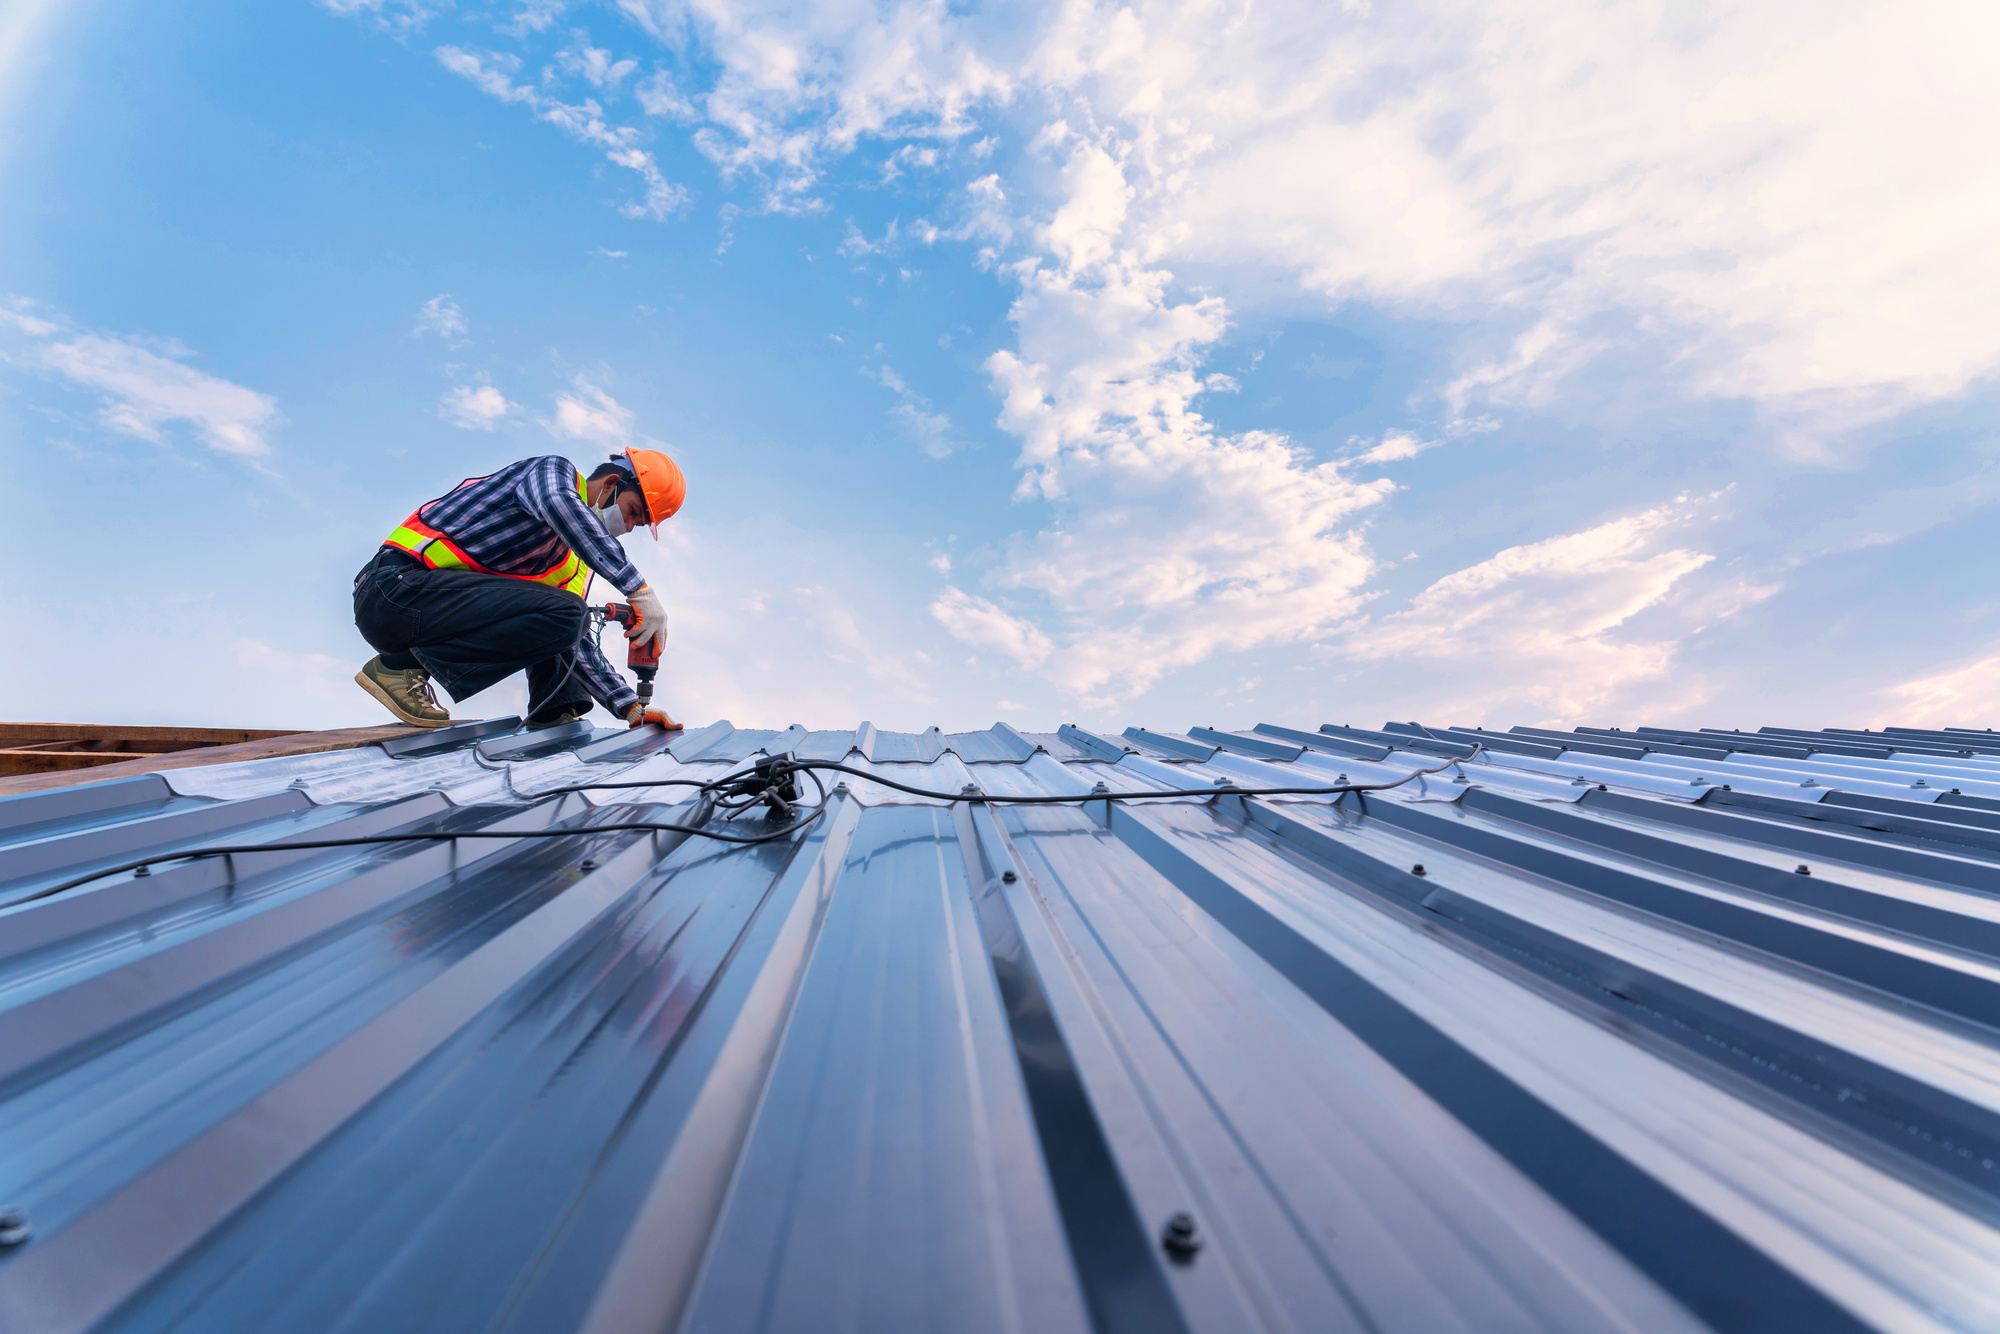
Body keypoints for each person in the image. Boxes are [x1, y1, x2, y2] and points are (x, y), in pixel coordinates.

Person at [351, 449, 686, 732]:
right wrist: (639, 591)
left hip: (436, 616)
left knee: (569, 617)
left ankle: (553, 710)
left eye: (636, 525)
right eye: (632, 513)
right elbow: (561, 506)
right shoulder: (552, 474)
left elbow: (575, 637)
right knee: (569, 610)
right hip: (392, 592)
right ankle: (399, 668)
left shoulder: (568, 562)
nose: (627, 527)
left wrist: (629, 707)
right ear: (613, 484)